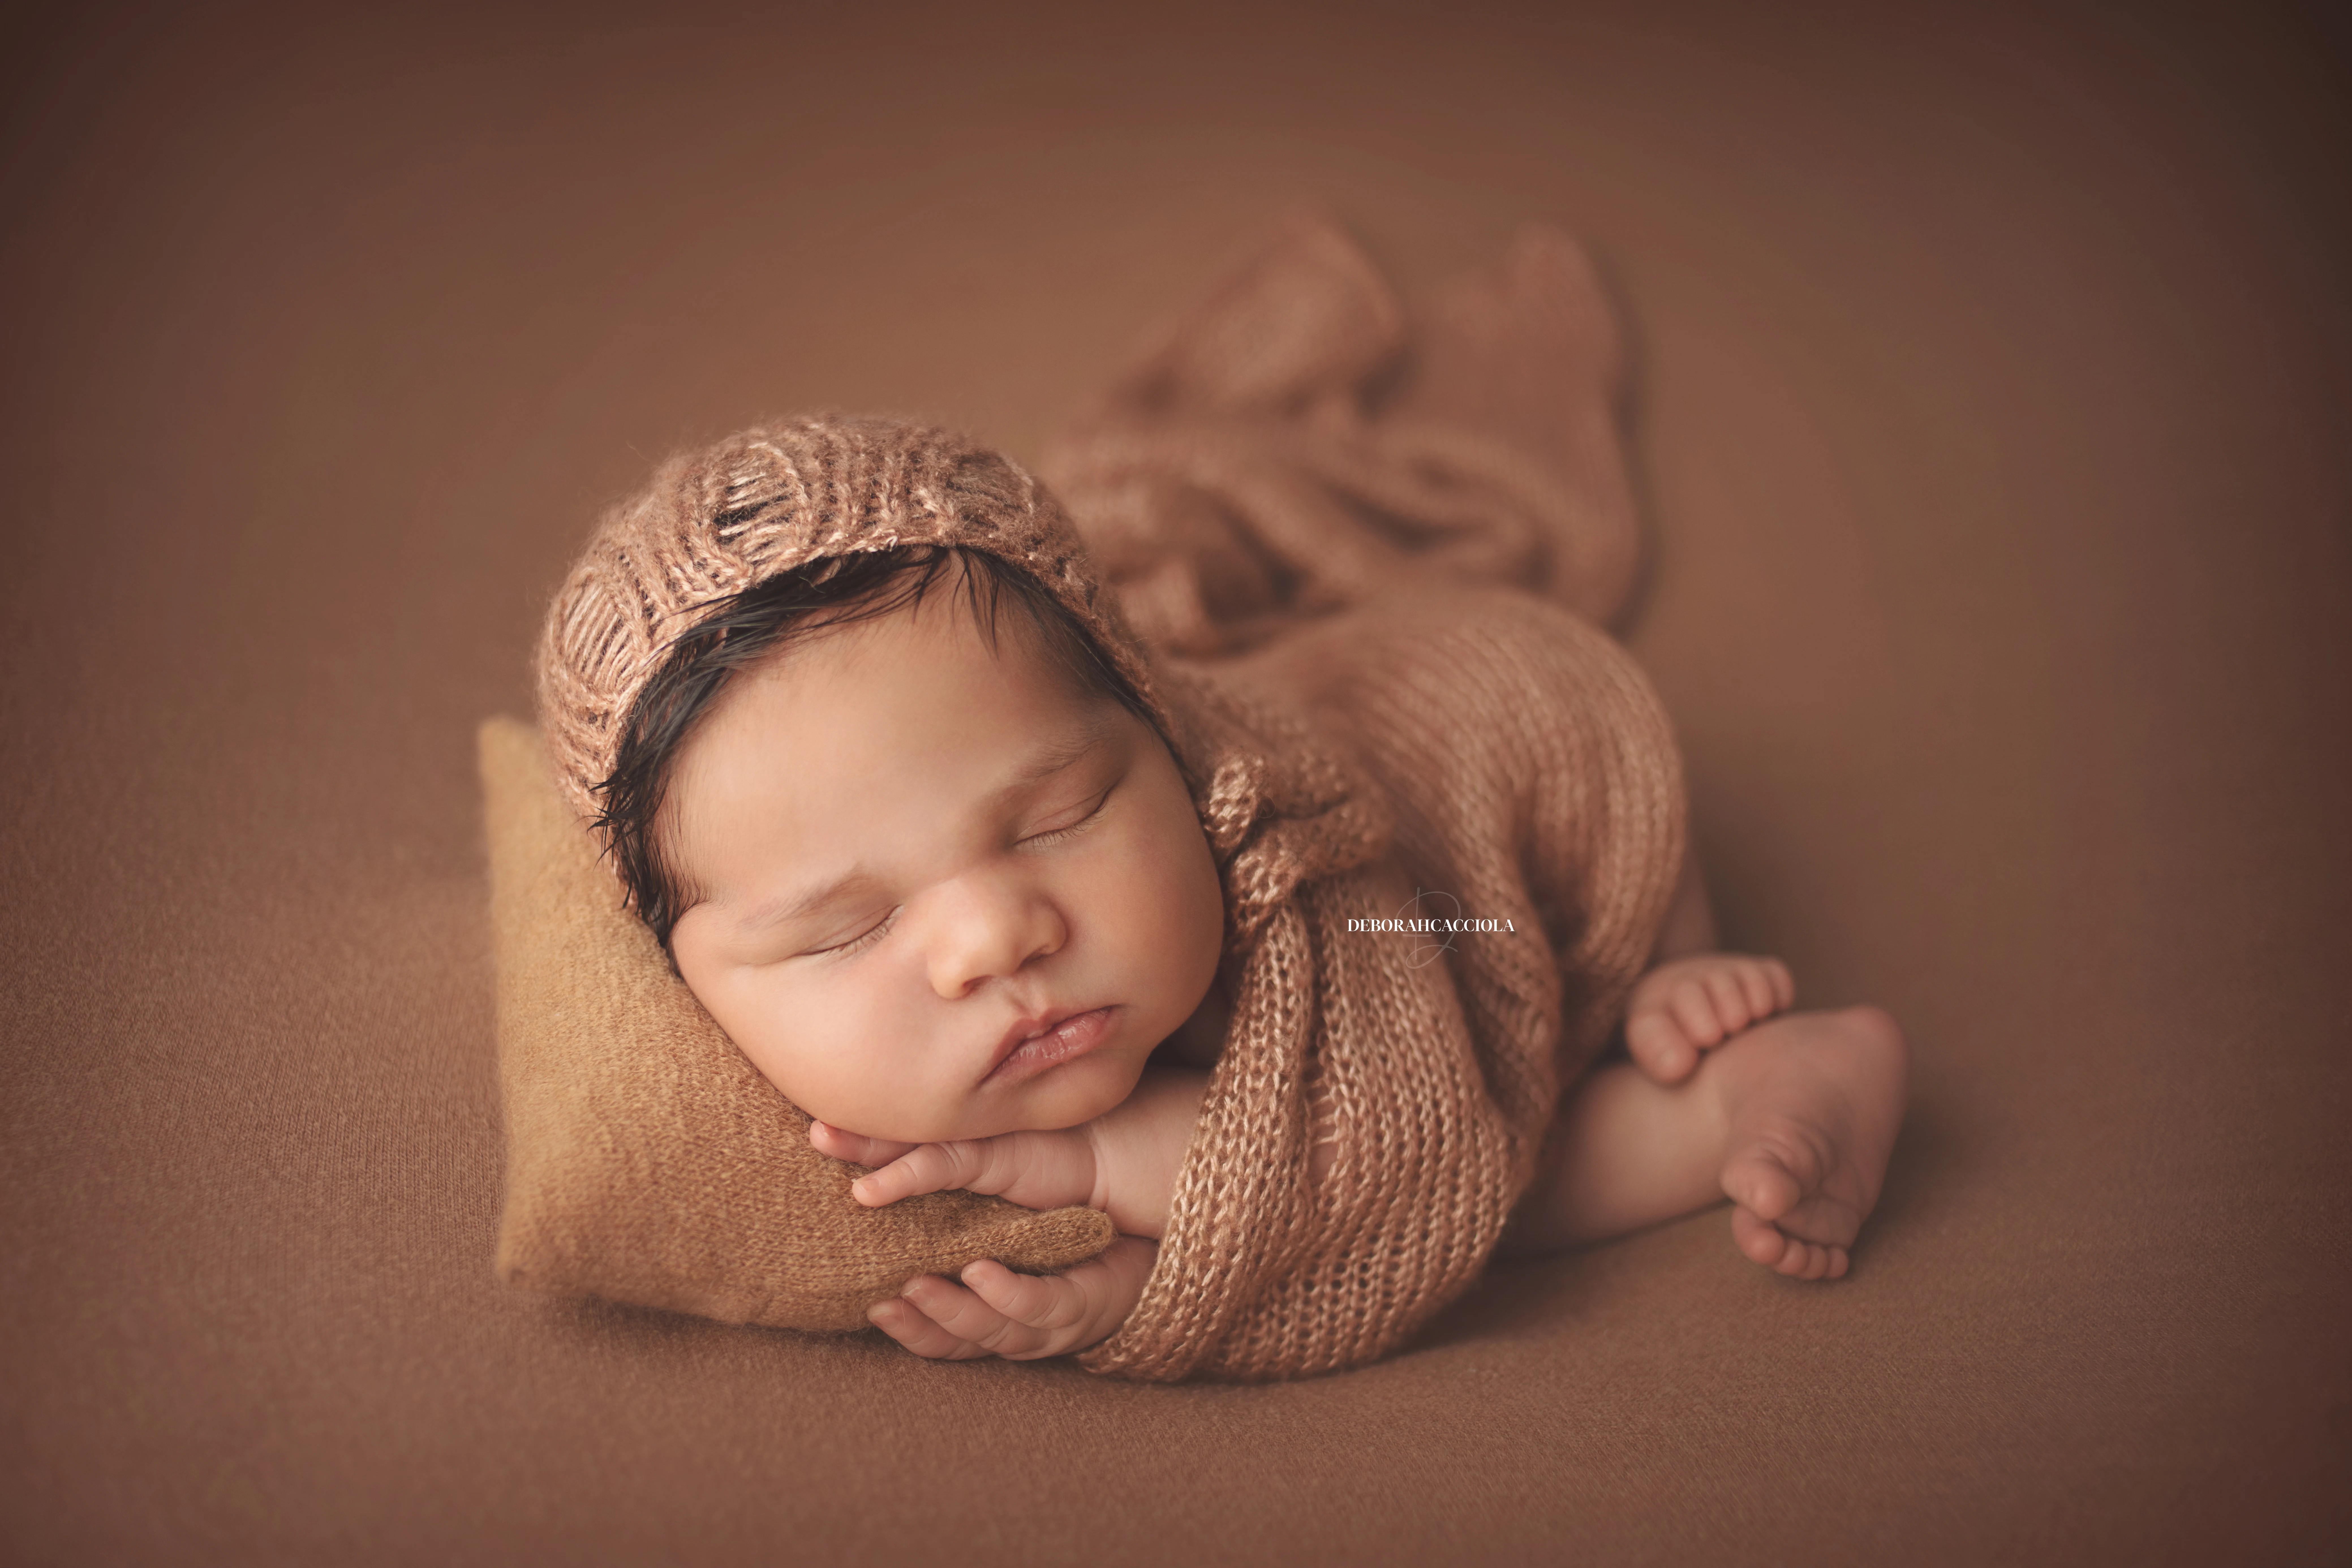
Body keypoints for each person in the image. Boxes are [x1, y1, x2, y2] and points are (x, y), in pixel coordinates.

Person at [535, 416, 1908, 1372]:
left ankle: (1682, 952)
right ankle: (1764, 1081)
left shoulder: (1301, 853)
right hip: (1437, 1079)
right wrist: (1145, 1266)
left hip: (1483, 866)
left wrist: (1100, 1187)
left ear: (1168, 740)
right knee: (1520, 1193)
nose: (995, 934)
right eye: (848, 927)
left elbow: (1406, 1159)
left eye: (1061, 815)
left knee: (1508, 1126)